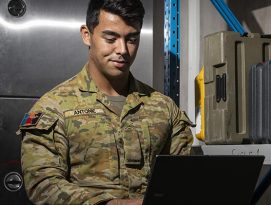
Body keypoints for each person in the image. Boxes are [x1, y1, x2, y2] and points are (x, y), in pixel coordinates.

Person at [18, 0, 194, 204]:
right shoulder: (54, 108)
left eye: (132, 39)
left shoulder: (163, 107)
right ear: (87, 35)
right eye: (111, 38)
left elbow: (186, 177)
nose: (123, 50)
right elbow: (42, 184)